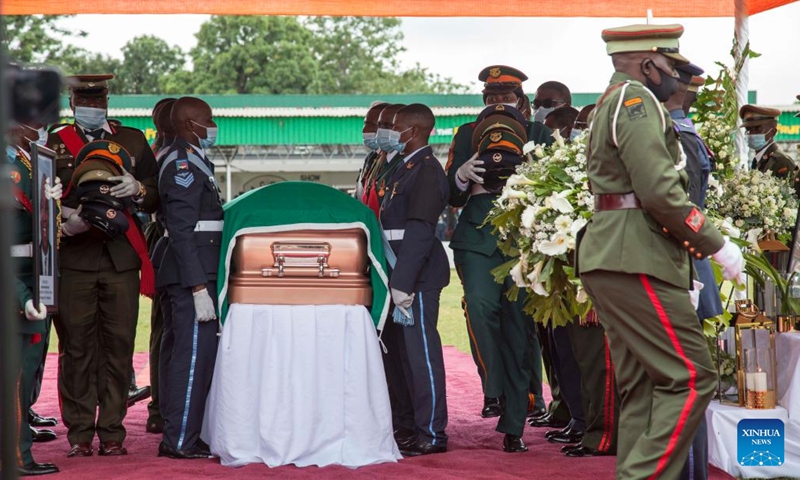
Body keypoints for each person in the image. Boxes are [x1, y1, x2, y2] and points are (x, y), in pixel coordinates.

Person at [577, 24, 745, 479]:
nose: (677, 76)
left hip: (617, 253)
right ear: (648, 64)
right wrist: (716, 245)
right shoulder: (636, 102)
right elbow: (660, 192)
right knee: (690, 377)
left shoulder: (614, 101)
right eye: (671, 65)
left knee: (646, 384)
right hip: (636, 254)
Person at [48, 74, 159, 458]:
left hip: (120, 257)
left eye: (99, 98)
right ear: (72, 101)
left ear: (109, 100)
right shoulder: (54, 143)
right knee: (76, 347)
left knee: (119, 345)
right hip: (75, 257)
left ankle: (112, 430)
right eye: (85, 98)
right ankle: (79, 432)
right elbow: (40, 196)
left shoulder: (132, 140)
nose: (92, 104)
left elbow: (156, 193)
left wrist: (139, 190)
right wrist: (64, 219)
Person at [446, 65, 549, 427]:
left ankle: (524, 403)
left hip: (523, 238)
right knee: (479, 308)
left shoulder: (540, 133)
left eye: (505, 97)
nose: (498, 103)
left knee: (521, 322)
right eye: (491, 98)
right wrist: (461, 175)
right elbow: (451, 195)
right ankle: (495, 388)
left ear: (521, 100)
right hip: (477, 237)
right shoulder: (466, 135)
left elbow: (555, 187)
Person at [151, 96, 224, 459]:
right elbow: (182, 230)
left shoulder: (194, 159)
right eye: (207, 120)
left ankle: (182, 432)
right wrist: (198, 287)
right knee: (193, 355)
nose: (212, 126)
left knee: (186, 352)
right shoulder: (183, 164)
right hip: (189, 273)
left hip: (189, 269)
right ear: (189, 125)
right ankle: (180, 439)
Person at [380, 103, 450, 456]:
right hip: (400, 273)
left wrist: (403, 282)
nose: (390, 132)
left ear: (414, 131)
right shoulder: (403, 168)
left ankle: (433, 433)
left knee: (422, 356)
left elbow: (420, 231)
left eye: (396, 127)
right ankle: (411, 426)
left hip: (416, 278)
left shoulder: (426, 170)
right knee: (405, 358)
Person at [666, 64, 725, 480]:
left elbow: (680, 209)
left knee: (679, 383)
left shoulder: (675, 135)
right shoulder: (684, 131)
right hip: (689, 265)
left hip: (680, 267)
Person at [5, 123, 62, 476]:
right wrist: (22, 296)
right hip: (15, 284)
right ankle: (14, 456)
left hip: (31, 278)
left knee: (24, 375)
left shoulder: (26, 160)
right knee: (15, 378)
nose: (38, 126)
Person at [144, 97, 178, 435]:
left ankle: (161, 403)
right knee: (165, 328)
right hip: (165, 240)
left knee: (164, 329)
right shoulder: (166, 159)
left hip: (160, 238)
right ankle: (160, 404)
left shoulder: (159, 155)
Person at [739, 104, 797, 177]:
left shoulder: (782, 162)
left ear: (773, 132)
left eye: (758, 129)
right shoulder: (758, 159)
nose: (752, 134)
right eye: (748, 129)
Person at [355, 102, 388, 200]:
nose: (364, 130)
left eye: (370, 124)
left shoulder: (396, 160)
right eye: (365, 124)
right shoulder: (371, 157)